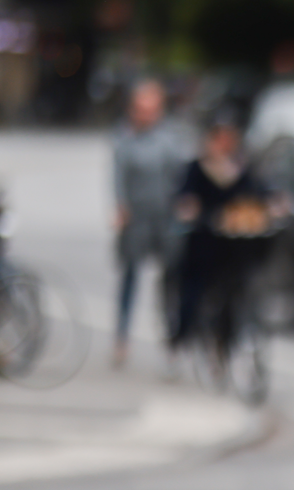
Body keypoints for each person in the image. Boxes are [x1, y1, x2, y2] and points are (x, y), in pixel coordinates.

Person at [170, 108, 277, 364]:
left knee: (235, 291)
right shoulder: (199, 167)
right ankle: (180, 340)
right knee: (192, 290)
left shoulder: (241, 168)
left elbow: (260, 193)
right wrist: (189, 209)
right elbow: (184, 198)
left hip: (234, 245)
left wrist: (272, 204)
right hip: (204, 241)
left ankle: (224, 344)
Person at [110, 78, 188, 368]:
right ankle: (121, 337)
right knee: (129, 277)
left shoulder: (171, 138)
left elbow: (180, 175)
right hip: (136, 217)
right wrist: (120, 208)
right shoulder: (123, 137)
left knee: (170, 282)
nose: (144, 114)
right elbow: (118, 177)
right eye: (140, 108)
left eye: (150, 108)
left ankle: (171, 341)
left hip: (165, 217)